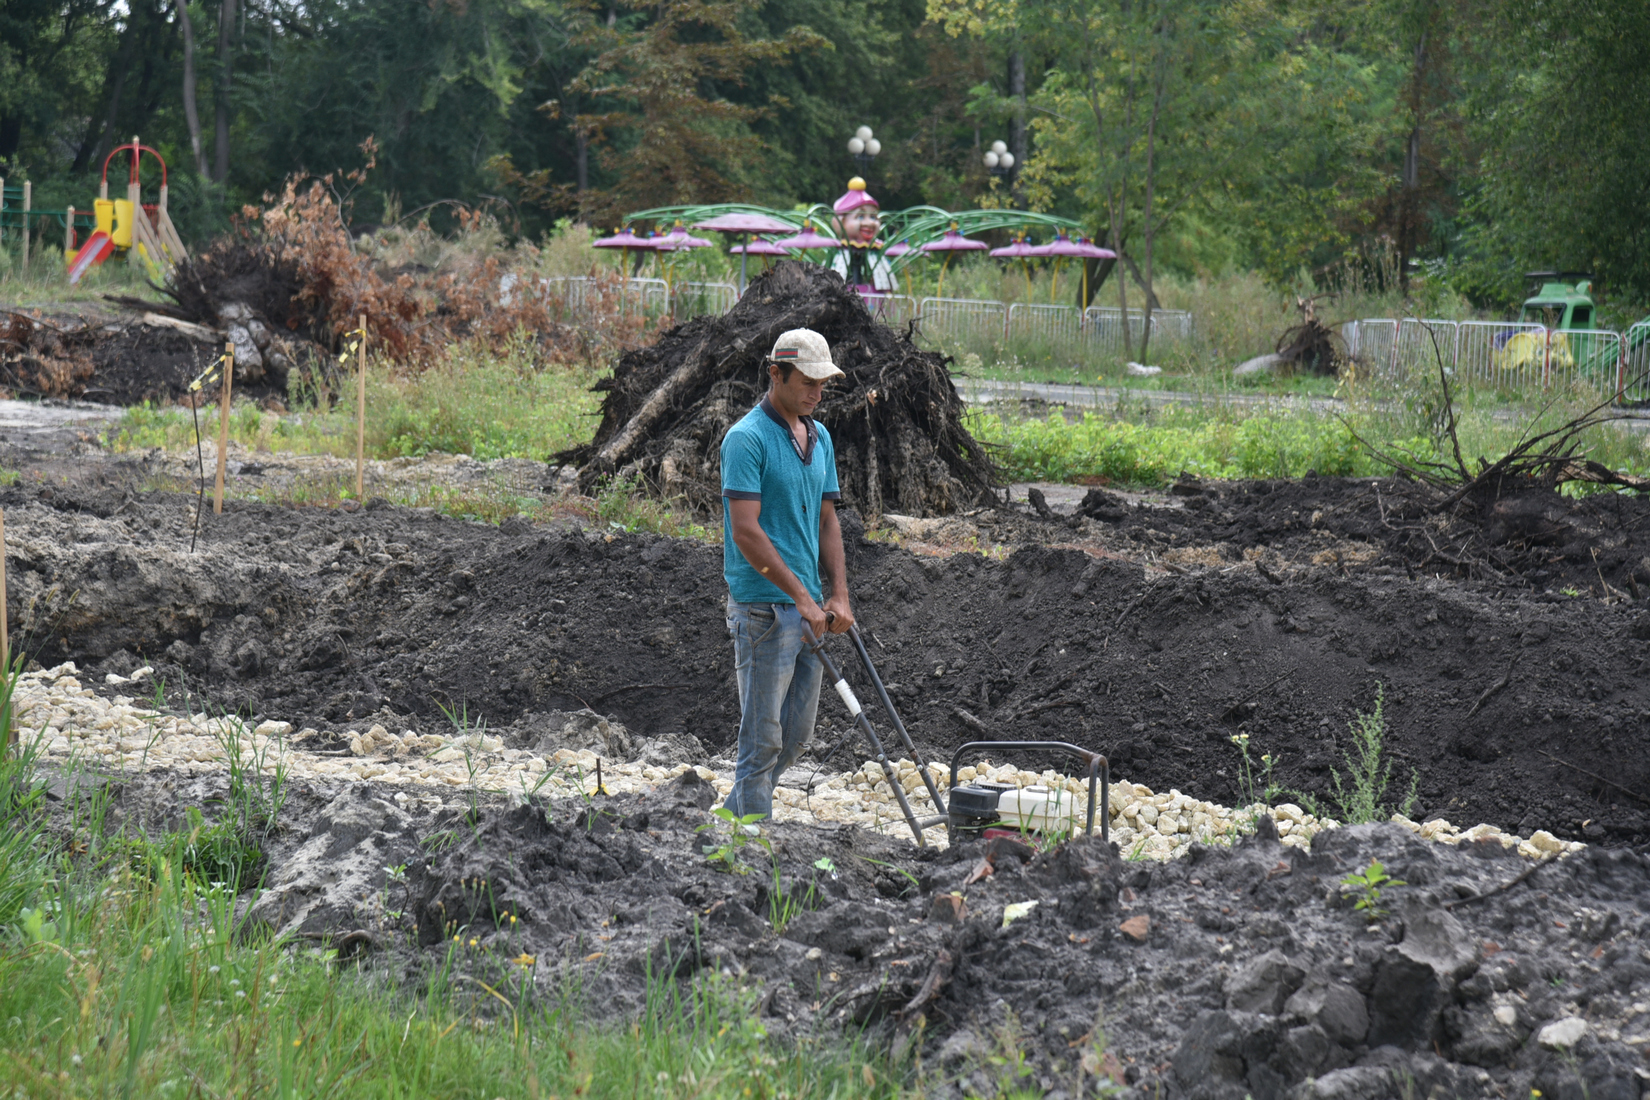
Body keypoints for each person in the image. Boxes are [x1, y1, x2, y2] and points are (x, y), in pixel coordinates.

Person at [719, 328, 855, 818]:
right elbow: (747, 532)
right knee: (762, 741)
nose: (817, 393)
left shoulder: (819, 437)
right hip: (763, 609)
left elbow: (826, 519)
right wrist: (800, 597)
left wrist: (837, 594)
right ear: (775, 374)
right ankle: (750, 845)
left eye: (823, 384)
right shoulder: (746, 439)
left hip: (810, 608)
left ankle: (733, 819)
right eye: (808, 382)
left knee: (796, 738)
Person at [828, 178, 899, 294]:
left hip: (874, 297)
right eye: (860, 217)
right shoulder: (840, 253)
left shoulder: (875, 250)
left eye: (873, 217)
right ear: (840, 221)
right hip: (843, 289)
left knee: (881, 279)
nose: (870, 223)